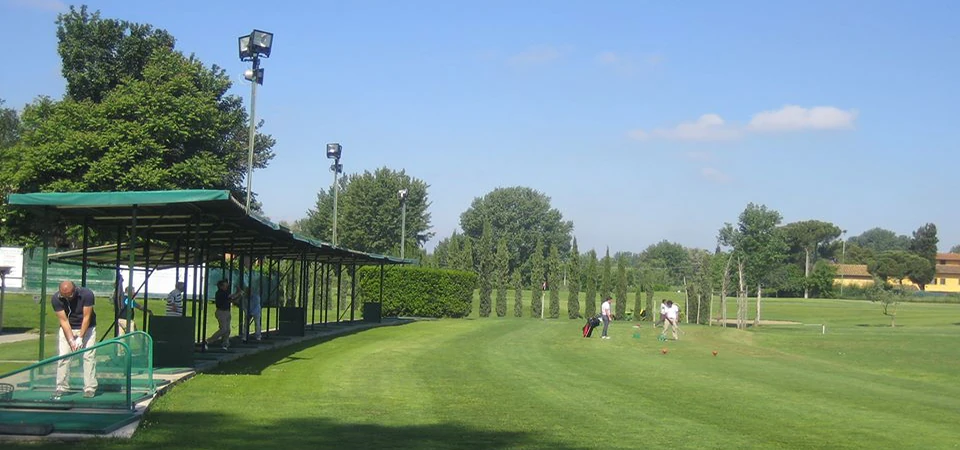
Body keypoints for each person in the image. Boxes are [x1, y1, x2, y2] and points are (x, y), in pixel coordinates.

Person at [51, 280, 98, 399]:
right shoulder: (56, 298)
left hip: (88, 328)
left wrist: (80, 337)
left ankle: (89, 388)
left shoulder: (87, 294)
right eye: (64, 296)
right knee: (63, 357)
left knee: (89, 357)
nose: (67, 298)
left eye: (69, 295)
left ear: (74, 290)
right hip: (68, 328)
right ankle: (61, 387)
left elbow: (87, 317)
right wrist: (71, 340)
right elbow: (63, 321)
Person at [204, 280, 235, 350]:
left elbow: (232, 300)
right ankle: (208, 341)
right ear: (221, 286)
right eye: (225, 285)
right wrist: (238, 292)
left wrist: (239, 295)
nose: (226, 286)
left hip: (226, 311)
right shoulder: (220, 293)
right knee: (223, 329)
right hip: (221, 312)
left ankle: (225, 344)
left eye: (227, 285)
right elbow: (232, 296)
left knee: (227, 330)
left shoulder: (225, 292)